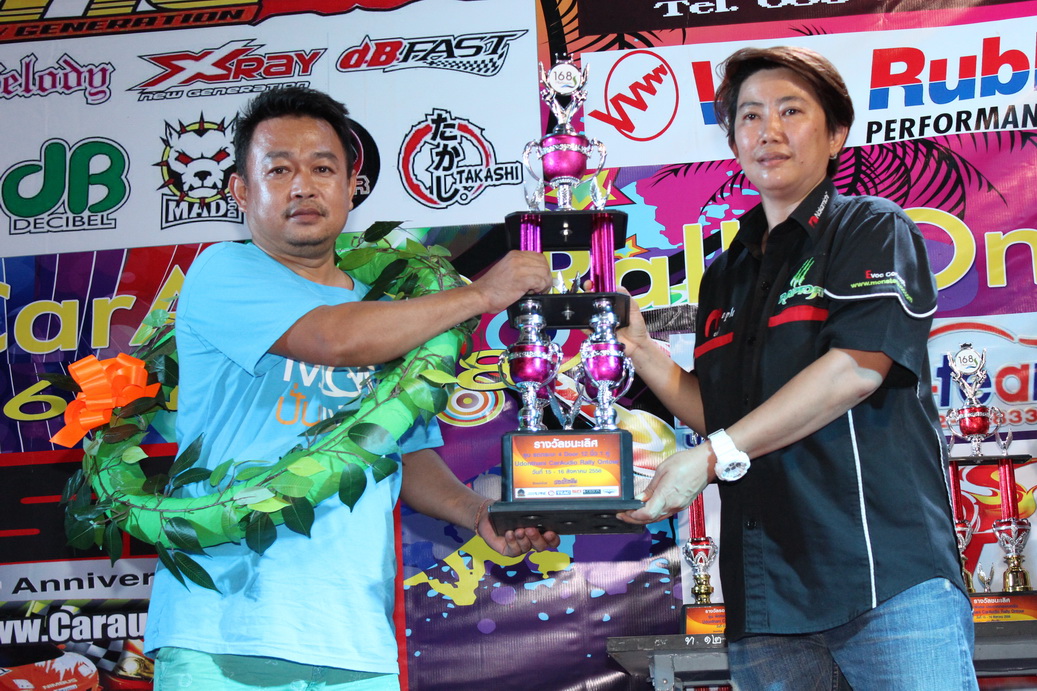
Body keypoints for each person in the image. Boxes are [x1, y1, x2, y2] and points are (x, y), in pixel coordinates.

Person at [144, 86, 559, 690]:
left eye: (323, 169)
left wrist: (478, 512)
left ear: (351, 187)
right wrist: (479, 295)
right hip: (224, 632)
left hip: (355, 642)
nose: (303, 186)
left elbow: (402, 453)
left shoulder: (390, 314)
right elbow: (335, 340)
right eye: (278, 170)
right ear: (240, 190)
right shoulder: (222, 271)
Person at [618, 47, 977, 690]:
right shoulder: (726, 273)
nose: (769, 131)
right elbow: (724, 418)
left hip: (884, 581)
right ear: (734, 141)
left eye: (791, 111)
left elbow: (856, 369)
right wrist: (643, 353)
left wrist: (710, 457)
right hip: (767, 598)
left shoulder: (870, 226)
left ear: (836, 134)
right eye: (750, 116)